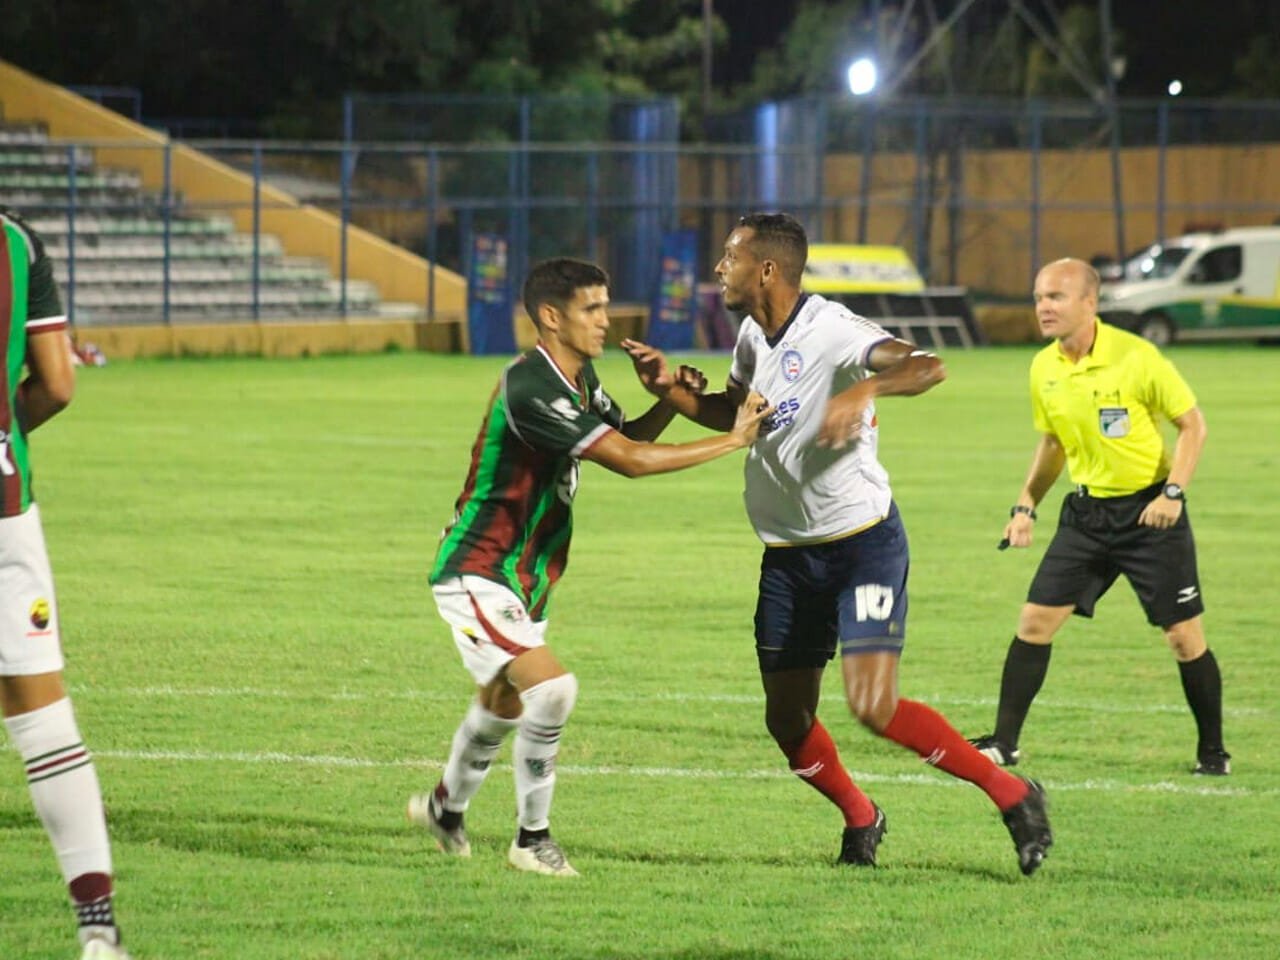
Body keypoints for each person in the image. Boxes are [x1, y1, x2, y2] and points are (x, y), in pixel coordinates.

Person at [620, 213, 1053, 876]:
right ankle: (861, 816)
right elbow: (738, 414)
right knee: (787, 720)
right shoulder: (749, 336)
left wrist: (867, 388)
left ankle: (1013, 794)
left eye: (730, 257)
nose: (718, 269)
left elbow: (926, 365)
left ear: (766, 269)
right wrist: (674, 395)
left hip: (862, 546)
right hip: (789, 558)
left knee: (873, 705)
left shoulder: (832, 329)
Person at [409, 257, 771, 876]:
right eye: (592, 309)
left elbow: (624, 432)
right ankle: (532, 840)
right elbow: (627, 460)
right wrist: (733, 439)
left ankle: (445, 808)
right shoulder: (531, 385)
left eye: (607, 305)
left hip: (523, 574)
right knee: (552, 689)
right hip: (478, 567)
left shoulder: (577, 377)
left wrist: (671, 400)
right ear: (551, 317)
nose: (606, 320)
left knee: (503, 700)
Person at [968, 257, 1230, 776]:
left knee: (1183, 636)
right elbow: (1052, 443)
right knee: (1035, 623)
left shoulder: (1138, 357)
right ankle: (1004, 743)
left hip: (1150, 513)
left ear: (1090, 302)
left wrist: (1172, 494)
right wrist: (1025, 506)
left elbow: (1192, 426)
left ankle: (1213, 754)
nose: (1043, 306)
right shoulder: (1043, 366)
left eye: (1056, 297)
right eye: (1040, 296)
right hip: (1086, 516)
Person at [0, 209, 130, 959]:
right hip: (6, 504)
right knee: (42, 715)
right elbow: (56, 383)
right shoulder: (17, 239)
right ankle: (98, 927)